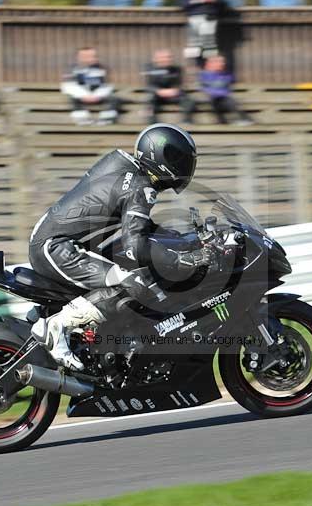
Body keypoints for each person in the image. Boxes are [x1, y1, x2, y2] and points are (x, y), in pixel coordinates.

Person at [28, 124, 216, 370]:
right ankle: (57, 327)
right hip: (59, 250)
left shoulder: (126, 172)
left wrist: (186, 240)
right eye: (178, 159)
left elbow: (140, 228)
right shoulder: (141, 187)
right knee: (134, 283)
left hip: (55, 245)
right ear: (162, 158)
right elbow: (134, 248)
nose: (184, 167)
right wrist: (182, 261)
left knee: (133, 275)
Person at [61, 47, 119, 126]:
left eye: (93, 56)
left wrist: (97, 96)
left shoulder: (102, 69)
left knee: (114, 99)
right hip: (80, 97)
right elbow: (68, 86)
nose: (91, 58)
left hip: (98, 97)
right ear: (79, 57)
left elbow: (107, 86)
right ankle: (82, 119)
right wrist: (84, 96)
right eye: (87, 56)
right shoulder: (72, 69)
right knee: (72, 100)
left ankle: (106, 118)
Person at [143, 49, 195, 125]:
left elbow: (181, 85)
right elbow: (149, 86)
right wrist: (159, 91)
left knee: (189, 100)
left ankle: (187, 121)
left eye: (168, 57)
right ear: (156, 59)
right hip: (158, 96)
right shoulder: (150, 69)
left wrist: (176, 90)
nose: (166, 59)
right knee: (149, 101)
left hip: (174, 95)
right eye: (163, 57)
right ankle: (154, 124)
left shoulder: (177, 69)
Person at [198, 54, 253, 126]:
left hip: (223, 99)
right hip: (211, 99)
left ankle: (245, 119)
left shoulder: (226, 74)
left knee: (229, 101)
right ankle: (221, 121)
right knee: (214, 100)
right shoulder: (204, 74)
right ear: (210, 63)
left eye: (222, 62)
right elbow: (205, 87)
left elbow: (225, 86)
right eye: (219, 62)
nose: (222, 63)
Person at [183, 0, 223, 65]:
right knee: (193, 49)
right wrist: (200, 0)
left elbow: (222, 4)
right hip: (193, 18)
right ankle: (196, 69)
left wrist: (213, 1)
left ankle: (210, 70)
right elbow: (183, 4)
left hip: (209, 17)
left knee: (209, 48)